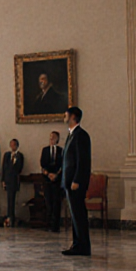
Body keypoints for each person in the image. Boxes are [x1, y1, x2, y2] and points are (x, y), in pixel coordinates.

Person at [61, 107, 92, 257]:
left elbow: (83, 161)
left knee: (79, 215)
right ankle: (77, 244)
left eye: (66, 115)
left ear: (73, 116)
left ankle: (83, 246)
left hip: (75, 183)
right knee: (75, 215)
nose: (64, 117)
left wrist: (77, 180)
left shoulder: (81, 135)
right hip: (69, 182)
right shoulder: (71, 135)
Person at [40, 131, 64, 233]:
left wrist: (55, 175)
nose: (51, 139)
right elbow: (42, 164)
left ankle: (55, 226)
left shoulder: (61, 150)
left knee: (56, 203)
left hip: (57, 180)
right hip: (47, 179)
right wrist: (48, 174)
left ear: (57, 139)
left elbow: (62, 164)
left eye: (53, 137)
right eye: (50, 137)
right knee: (48, 202)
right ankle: (48, 224)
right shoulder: (45, 150)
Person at [2, 139, 25, 228]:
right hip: (7, 180)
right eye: (11, 144)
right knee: (8, 200)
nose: (12, 146)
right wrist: (3, 180)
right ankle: (8, 217)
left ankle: (12, 218)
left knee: (12, 200)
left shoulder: (20, 156)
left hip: (14, 181)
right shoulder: (7, 155)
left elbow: (19, 168)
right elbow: (4, 168)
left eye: (14, 145)